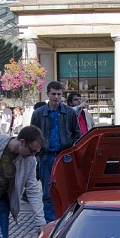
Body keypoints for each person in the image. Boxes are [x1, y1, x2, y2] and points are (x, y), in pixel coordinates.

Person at [31, 81, 81, 223]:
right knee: (48, 194)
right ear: (47, 94)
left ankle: (66, 223)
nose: (56, 97)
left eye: (59, 94)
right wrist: (37, 153)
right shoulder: (38, 114)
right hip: (46, 157)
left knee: (65, 191)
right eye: (53, 94)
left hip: (64, 157)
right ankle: (50, 224)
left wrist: (72, 152)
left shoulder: (69, 113)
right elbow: (32, 134)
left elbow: (77, 134)